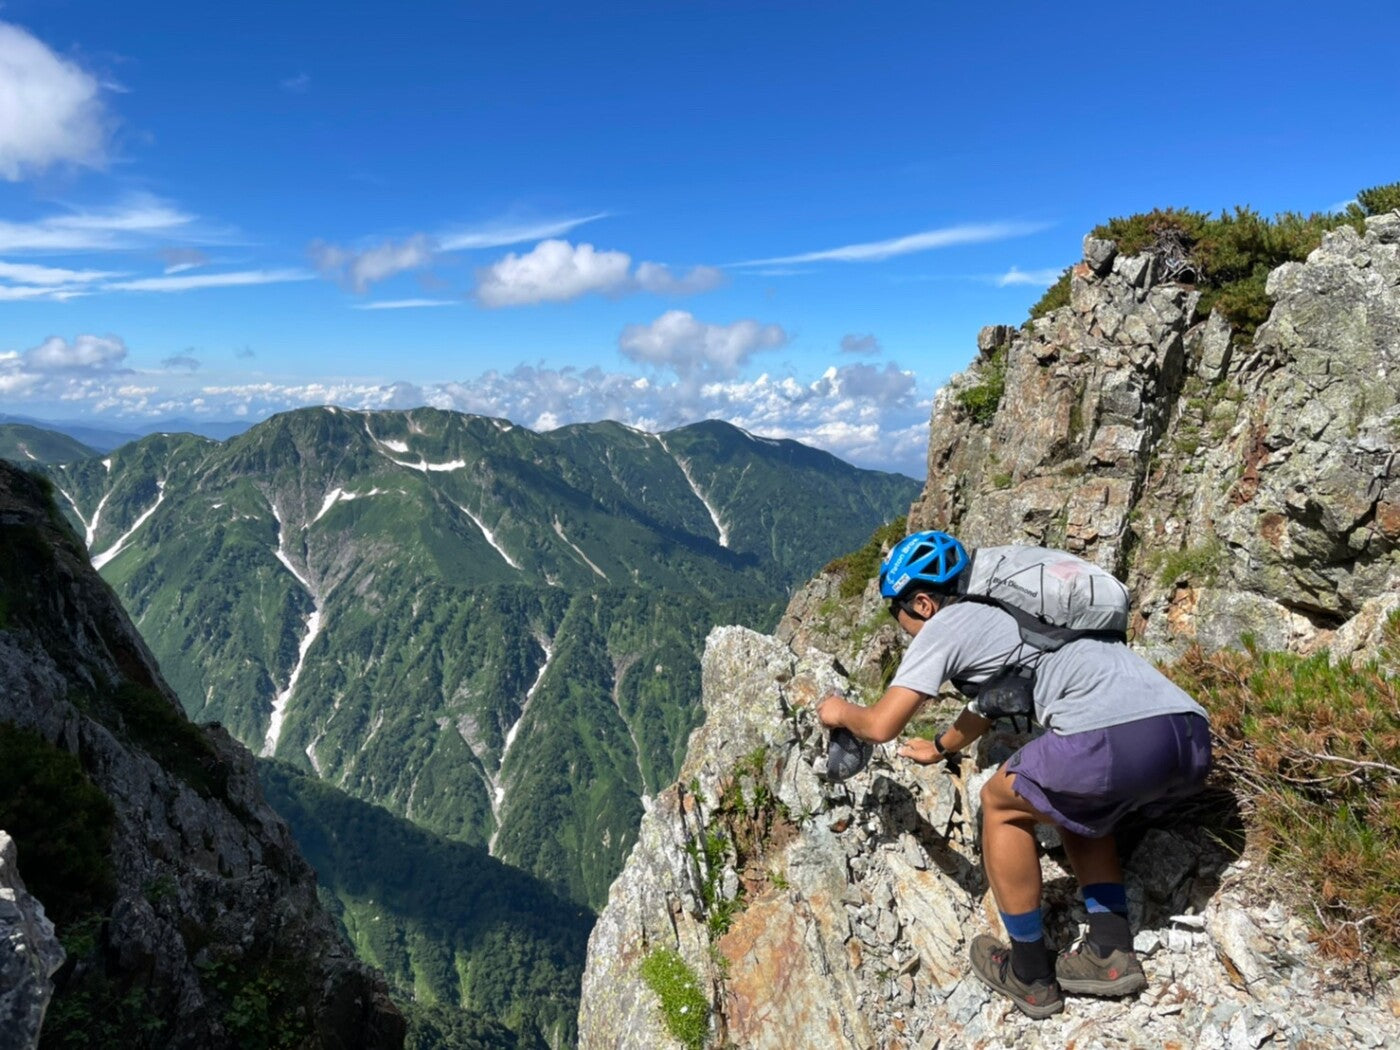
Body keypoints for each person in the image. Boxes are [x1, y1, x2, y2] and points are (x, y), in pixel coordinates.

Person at [817, 530, 1211, 1019]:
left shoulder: (948, 623)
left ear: (921, 602)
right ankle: (1109, 951)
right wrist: (942, 746)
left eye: (899, 617)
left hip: (1112, 740)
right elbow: (990, 703)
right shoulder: (1023, 620)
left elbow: (880, 724)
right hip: (1189, 736)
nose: (904, 630)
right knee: (1074, 802)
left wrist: (835, 711)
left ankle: (1029, 973)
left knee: (1000, 803)